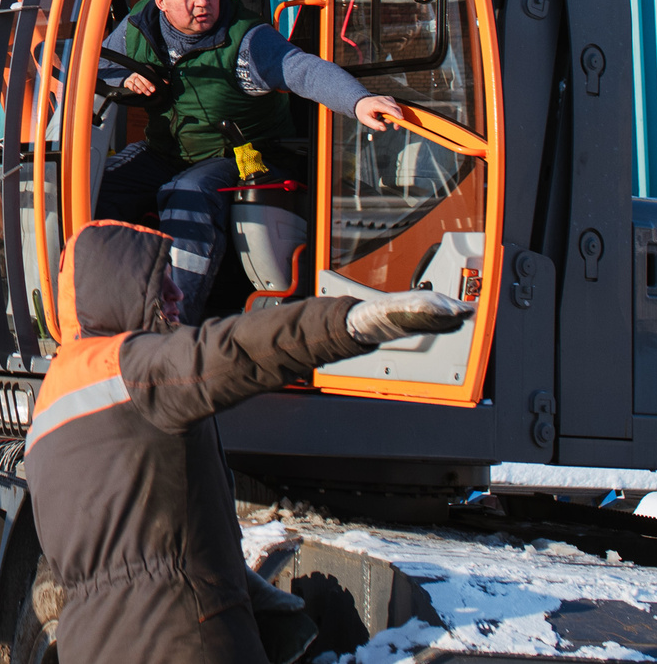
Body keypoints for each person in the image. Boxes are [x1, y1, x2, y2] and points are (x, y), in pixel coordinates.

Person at [28, 221, 473, 664]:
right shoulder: (136, 369)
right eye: (161, 289)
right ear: (118, 294)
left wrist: (242, 586)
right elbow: (235, 349)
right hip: (181, 641)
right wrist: (352, 322)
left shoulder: (49, 413)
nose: (179, 295)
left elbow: (129, 549)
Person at [98, 0, 405, 321]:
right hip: (168, 152)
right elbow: (94, 65)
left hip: (245, 154)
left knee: (187, 194)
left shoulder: (246, 40)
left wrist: (358, 101)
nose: (202, 1)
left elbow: (301, 70)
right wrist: (124, 77)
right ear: (160, 0)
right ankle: (113, 308)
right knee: (101, 184)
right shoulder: (137, 27)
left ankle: (175, 324)